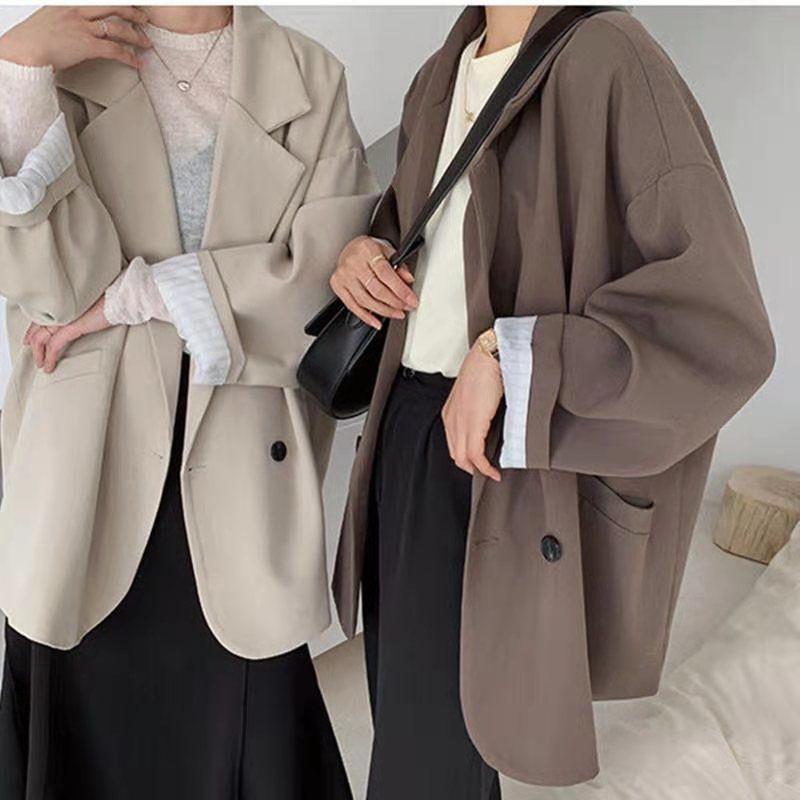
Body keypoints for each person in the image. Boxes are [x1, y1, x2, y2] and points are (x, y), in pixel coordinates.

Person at [329, 5, 775, 798]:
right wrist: (364, 251)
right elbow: (427, 237)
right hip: (406, 430)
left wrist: (510, 356)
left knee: (434, 747)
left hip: (494, 449)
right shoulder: (443, 71)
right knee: (412, 719)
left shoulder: (612, 58)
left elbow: (720, 326)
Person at [0, 6, 377, 798]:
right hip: (87, 471)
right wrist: (20, 67)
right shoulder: (67, 58)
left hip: (241, 473)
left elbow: (319, 291)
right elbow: (52, 291)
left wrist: (136, 295)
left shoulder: (307, 76)